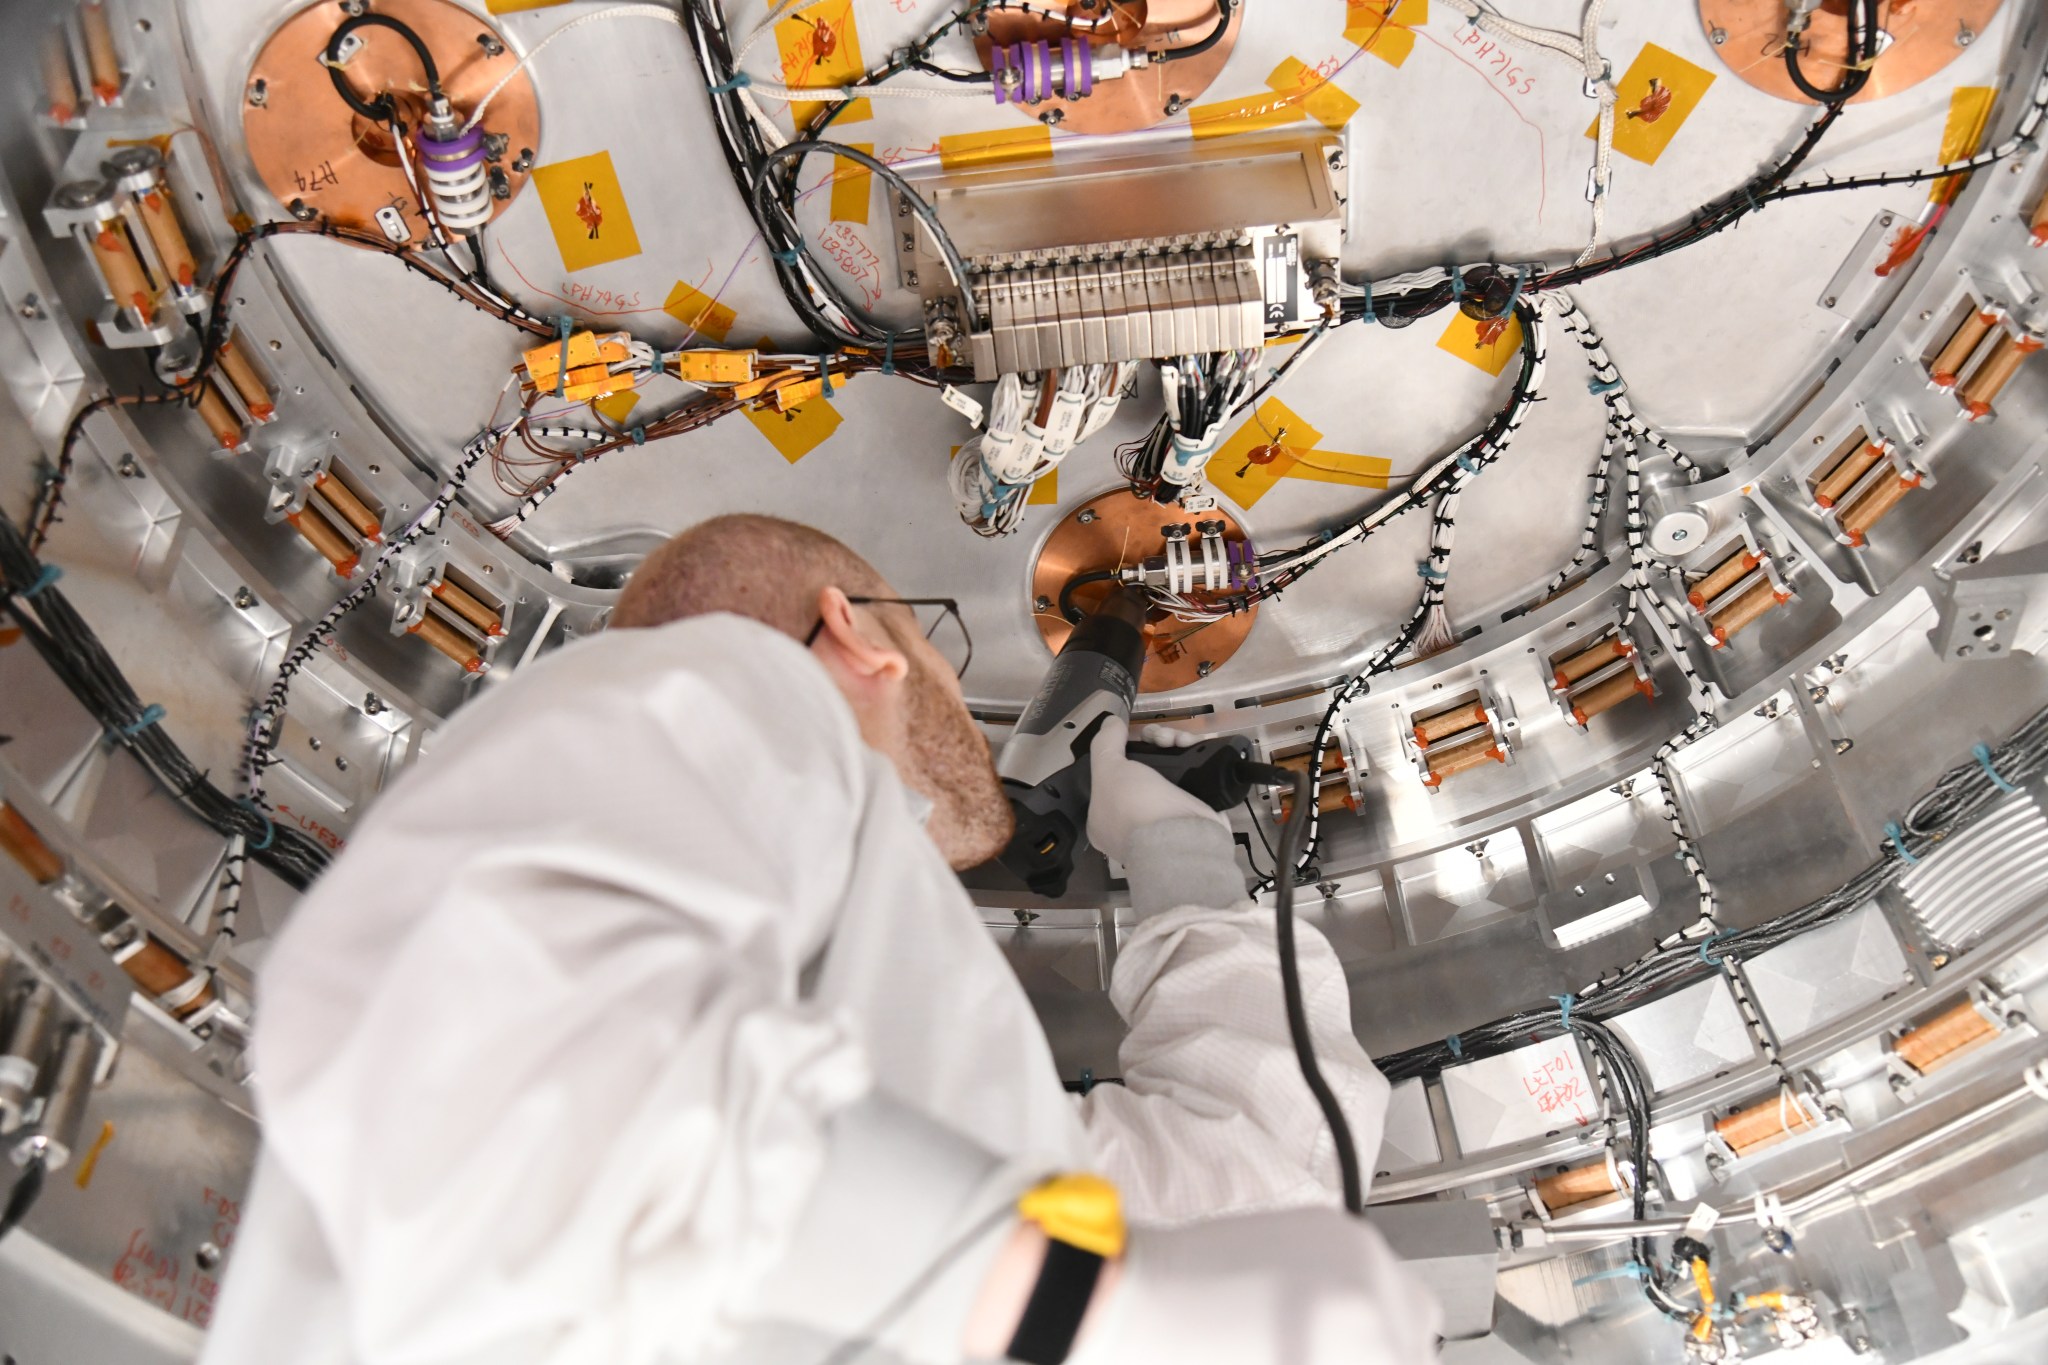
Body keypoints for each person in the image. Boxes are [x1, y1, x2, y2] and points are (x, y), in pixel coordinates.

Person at [200, 514, 1438, 1364]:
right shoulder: (738, 680)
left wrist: (1177, 854)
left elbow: (1265, 1196)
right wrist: (1078, 1310)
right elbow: (470, 1077)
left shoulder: (883, 1072)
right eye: (932, 650)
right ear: (855, 639)